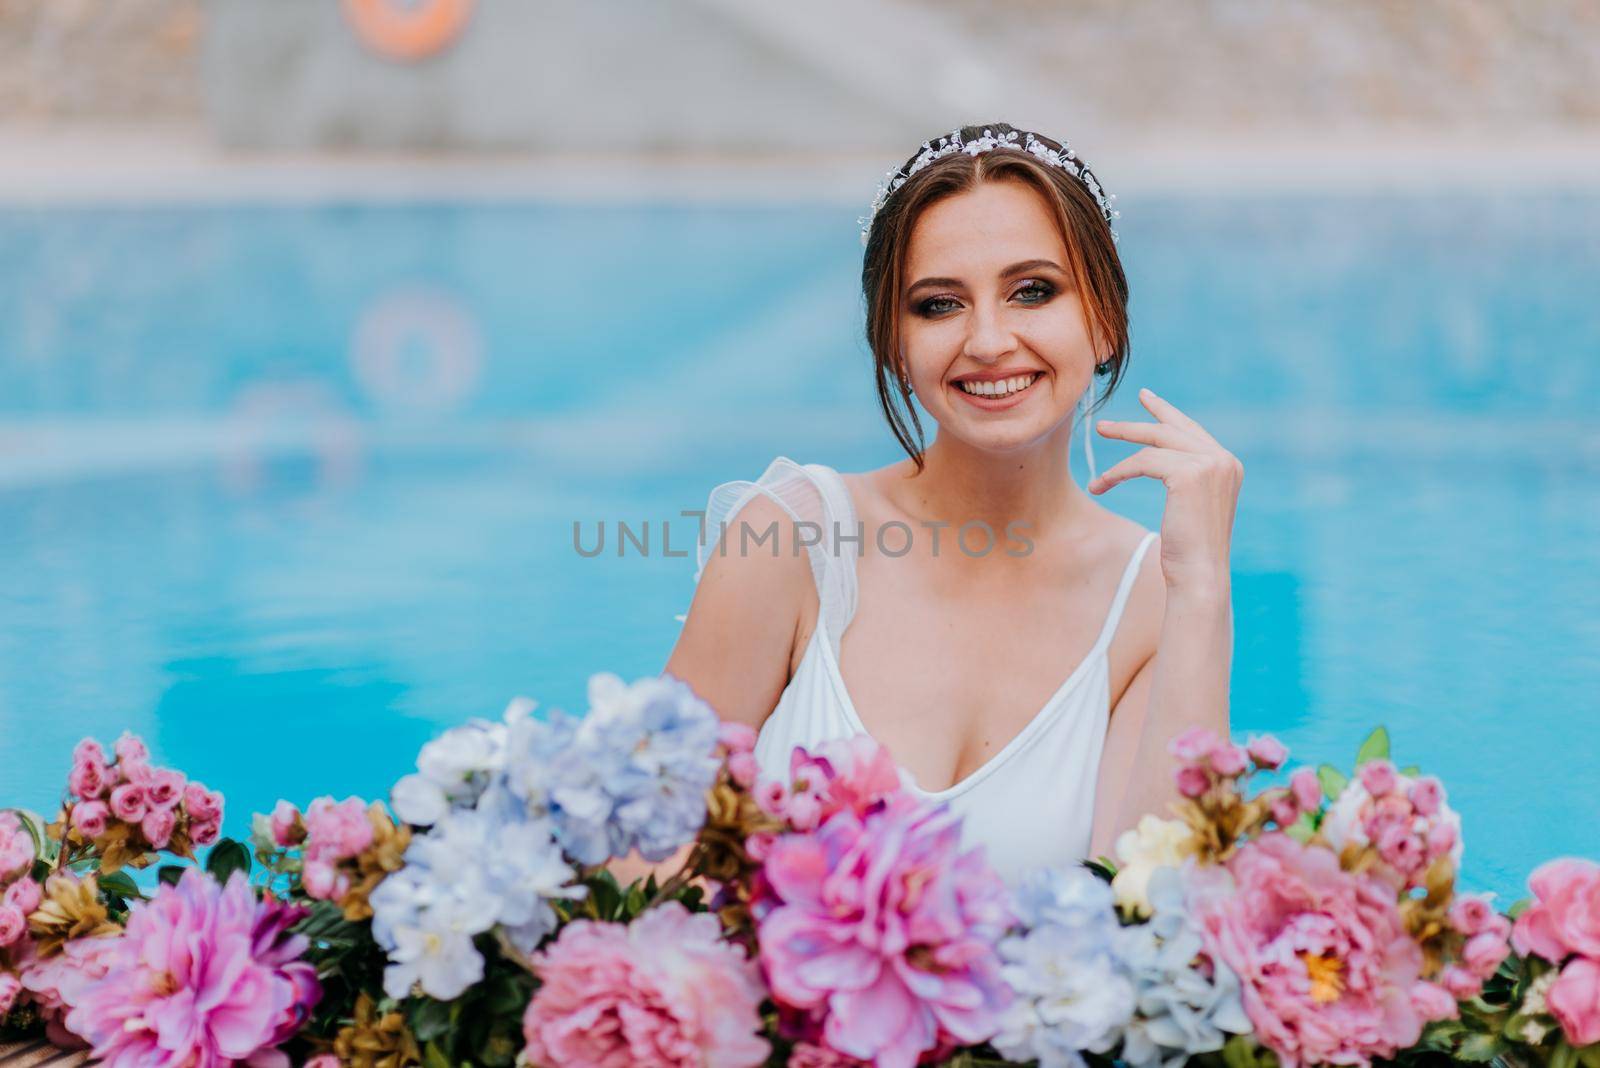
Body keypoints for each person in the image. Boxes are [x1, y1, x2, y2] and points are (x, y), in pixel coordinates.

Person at [640, 121, 1241, 887]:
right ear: (892, 339)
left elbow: (1163, 913)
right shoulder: (792, 541)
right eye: (937, 305)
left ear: (1104, 319)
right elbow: (642, 859)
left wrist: (1203, 589)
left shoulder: (1155, 595)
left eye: (1033, 291)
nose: (989, 341)